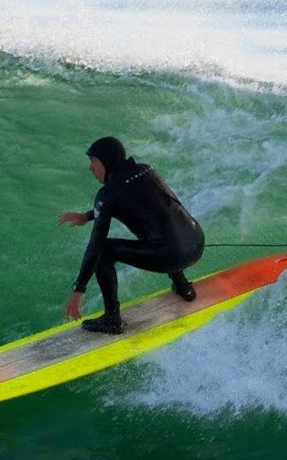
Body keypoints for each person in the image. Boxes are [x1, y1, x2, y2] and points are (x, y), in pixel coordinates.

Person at [59, 136, 204, 334]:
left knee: (104, 251)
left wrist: (78, 289)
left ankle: (112, 319)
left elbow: (96, 244)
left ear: (106, 161)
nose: (90, 168)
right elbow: (149, 206)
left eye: (93, 161)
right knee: (161, 227)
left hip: (172, 257)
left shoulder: (108, 194)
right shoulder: (146, 170)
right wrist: (87, 216)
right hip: (196, 243)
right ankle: (183, 287)